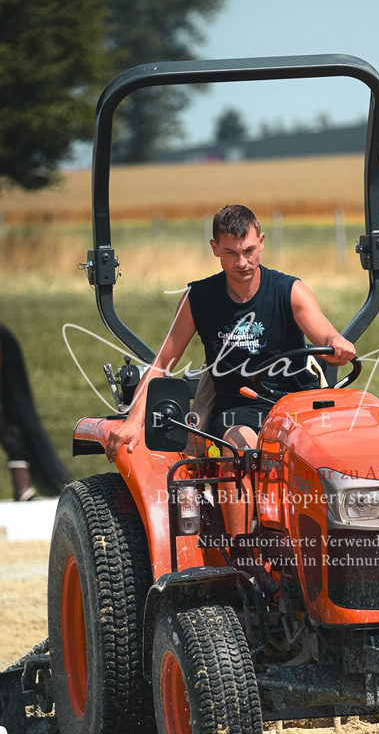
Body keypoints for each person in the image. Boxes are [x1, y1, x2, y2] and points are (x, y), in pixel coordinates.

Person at [105, 204, 355, 530]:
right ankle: (242, 551)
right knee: (237, 453)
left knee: (341, 450)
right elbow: (162, 363)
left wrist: (337, 344)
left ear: (261, 242)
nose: (242, 262)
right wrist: (132, 421)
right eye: (231, 253)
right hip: (240, 407)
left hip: (296, 404)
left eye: (249, 251)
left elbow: (326, 335)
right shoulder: (199, 298)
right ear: (215, 249)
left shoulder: (289, 290)